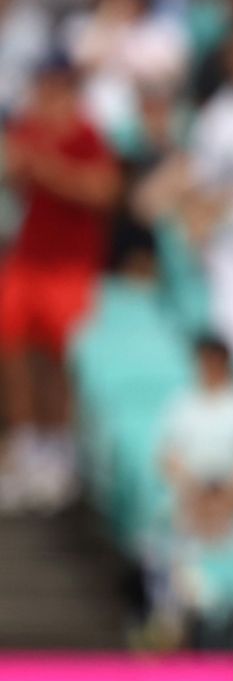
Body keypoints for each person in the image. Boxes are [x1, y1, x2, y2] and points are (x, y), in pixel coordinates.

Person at [0, 59, 119, 511]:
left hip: (71, 264)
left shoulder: (87, 135)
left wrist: (48, 168)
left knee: (58, 359)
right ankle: (26, 444)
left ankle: (56, 449)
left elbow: (104, 192)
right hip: (29, 257)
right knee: (13, 351)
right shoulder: (29, 129)